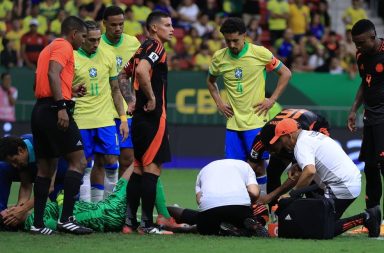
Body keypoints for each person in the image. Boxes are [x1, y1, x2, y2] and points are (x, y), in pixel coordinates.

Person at [206, 17, 291, 193]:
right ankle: (242, 211)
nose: (231, 45)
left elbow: (285, 73)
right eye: (227, 41)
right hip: (233, 124)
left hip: (256, 123)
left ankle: (263, 211)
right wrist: (219, 103)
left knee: (258, 168)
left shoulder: (260, 53)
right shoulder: (219, 58)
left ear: (244, 36)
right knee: (234, 170)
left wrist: (272, 99)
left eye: (235, 40)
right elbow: (210, 81)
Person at [30, 16, 92, 235]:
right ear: (73, 33)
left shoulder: (49, 48)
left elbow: (41, 81)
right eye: (83, 36)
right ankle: (66, 219)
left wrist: (70, 92)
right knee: (79, 161)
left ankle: (37, 224)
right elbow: (52, 73)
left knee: (45, 169)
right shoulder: (64, 46)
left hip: (39, 110)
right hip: (54, 111)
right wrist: (61, 106)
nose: (84, 41)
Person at [271, 118, 381, 237]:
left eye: (281, 139)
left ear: (289, 135)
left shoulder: (300, 145)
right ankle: (368, 216)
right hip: (348, 181)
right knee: (316, 222)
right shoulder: (309, 135)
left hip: (341, 186)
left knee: (319, 229)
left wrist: (292, 194)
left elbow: (310, 171)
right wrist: (299, 165)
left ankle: (366, 217)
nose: (282, 144)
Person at [123, 11, 174, 235]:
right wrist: (152, 98)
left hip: (139, 120)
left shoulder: (141, 49)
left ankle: (128, 223)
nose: (172, 29)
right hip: (153, 118)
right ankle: (147, 225)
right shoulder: (156, 47)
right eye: (167, 25)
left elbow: (122, 76)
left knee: (138, 170)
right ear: (154, 28)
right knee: (152, 170)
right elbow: (142, 71)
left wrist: (131, 100)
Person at [73, 20, 128, 202]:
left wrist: (123, 118)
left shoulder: (108, 56)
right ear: (82, 38)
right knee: (84, 166)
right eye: (91, 40)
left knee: (112, 163)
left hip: (105, 119)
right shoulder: (72, 58)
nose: (96, 44)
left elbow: (115, 89)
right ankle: (87, 209)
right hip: (81, 119)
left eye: (98, 39)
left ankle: (108, 208)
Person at [98, 6, 141, 198]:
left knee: (127, 159)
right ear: (104, 24)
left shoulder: (133, 43)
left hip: (126, 110)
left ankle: (119, 202)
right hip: (103, 111)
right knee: (106, 159)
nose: (118, 28)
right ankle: (102, 201)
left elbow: (140, 73)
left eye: (121, 24)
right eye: (113, 24)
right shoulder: (96, 43)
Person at [247, 108, 330, 207]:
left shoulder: (297, 138)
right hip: (289, 125)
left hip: (316, 126)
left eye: (272, 148)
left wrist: (270, 196)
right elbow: (249, 169)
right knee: (273, 172)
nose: (270, 153)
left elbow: (300, 174)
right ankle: (276, 213)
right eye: (267, 149)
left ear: (280, 139)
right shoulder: (260, 141)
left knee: (312, 175)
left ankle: (317, 208)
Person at [167, 159, 268, 237]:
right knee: (261, 209)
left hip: (209, 211)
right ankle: (247, 228)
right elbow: (254, 193)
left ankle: (190, 228)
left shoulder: (203, 170)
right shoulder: (246, 166)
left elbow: (199, 201)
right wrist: (250, 205)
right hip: (239, 209)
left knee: (203, 222)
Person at [348, 19, 384, 232]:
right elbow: (365, 82)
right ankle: (372, 218)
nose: (357, 48)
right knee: (370, 168)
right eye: (355, 43)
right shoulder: (361, 55)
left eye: (361, 43)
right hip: (370, 118)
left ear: (373, 37)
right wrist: (354, 109)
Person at [0, 134, 68, 226]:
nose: (14, 166)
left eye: (15, 161)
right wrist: (17, 213)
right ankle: (2, 216)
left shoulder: (44, 147)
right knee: (2, 167)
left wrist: (23, 209)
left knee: (66, 216)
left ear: (21, 150)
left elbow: (48, 187)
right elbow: (26, 187)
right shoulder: (22, 153)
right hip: (39, 173)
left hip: (60, 179)